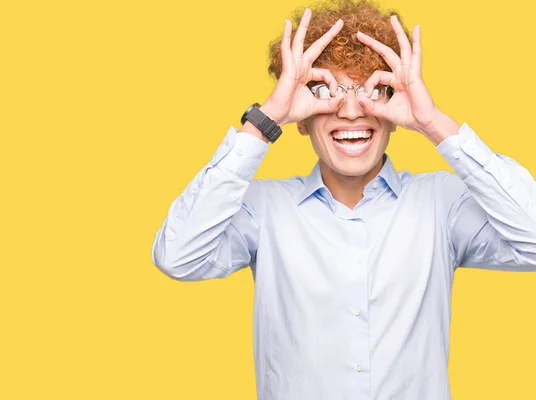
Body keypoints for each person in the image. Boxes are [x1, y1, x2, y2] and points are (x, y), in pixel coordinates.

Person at [151, 0, 536, 398]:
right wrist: (264, 121)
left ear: (393, 109)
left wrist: (433, 122)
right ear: (301, 117)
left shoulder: (442, 203)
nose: (351, 111)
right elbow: (177, 256)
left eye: (372, 89)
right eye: (326, 90)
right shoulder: (262, 209)